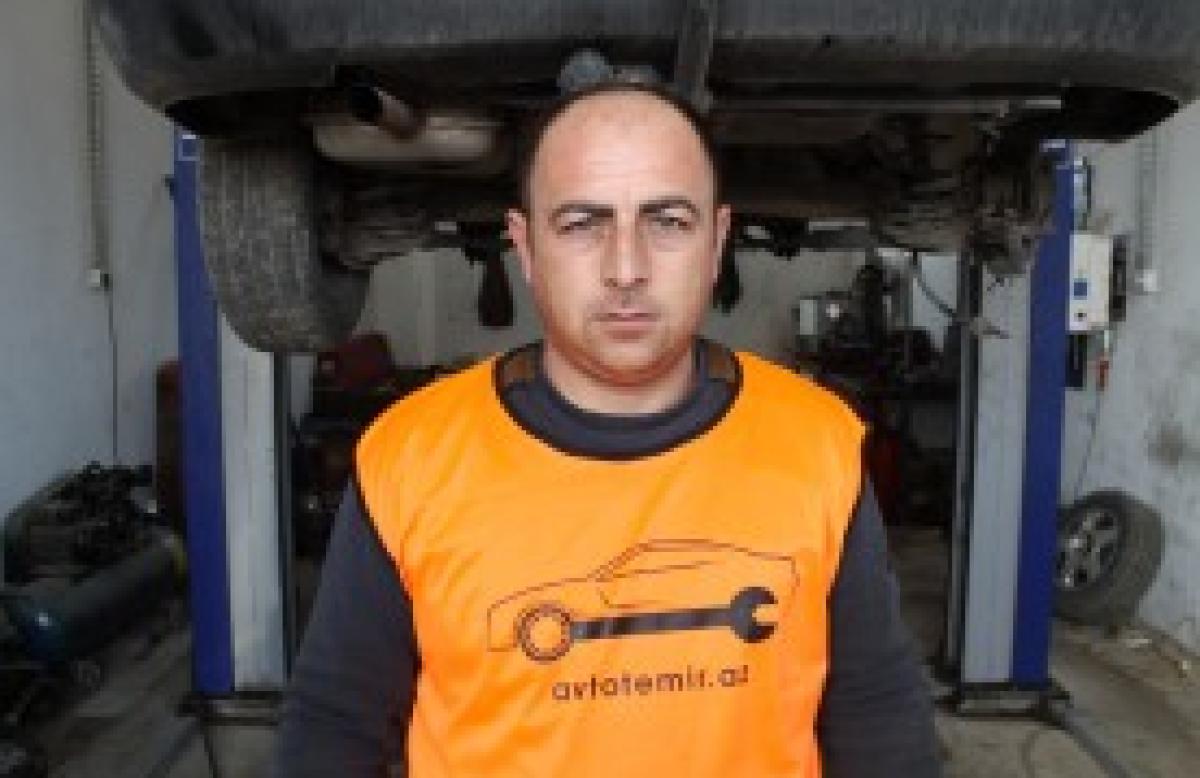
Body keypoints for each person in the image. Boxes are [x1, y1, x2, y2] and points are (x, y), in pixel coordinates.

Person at [273, 81, 941, 777]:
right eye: (582, 223)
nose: (626, 269)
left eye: (668, 221)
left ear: (716, 242)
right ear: (526, 248)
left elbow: (876, 709)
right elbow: (335, 722)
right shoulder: (412, 456)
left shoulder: (815, 441)